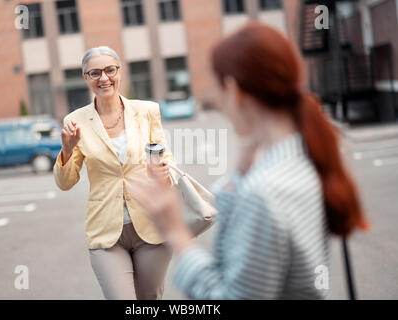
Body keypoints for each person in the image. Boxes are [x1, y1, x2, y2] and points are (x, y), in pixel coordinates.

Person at [127, 23, 370, 300]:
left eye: (218, 89)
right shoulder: (303, 159)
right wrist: (239, 177)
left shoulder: (264, 192)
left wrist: (176, 233)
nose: (219, 101)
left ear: (233, 90)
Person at [53, 46, 176, 300]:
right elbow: (65, 183)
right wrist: (67, 150)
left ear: (119, 72)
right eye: (95, 73)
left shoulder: (147, 111)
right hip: (106, 233)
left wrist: (164, 171)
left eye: (110, 70)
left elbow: (166, 160)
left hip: (151, 226)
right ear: (85, 77)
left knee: (149, 300)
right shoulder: (75, 121)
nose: (104, 78)